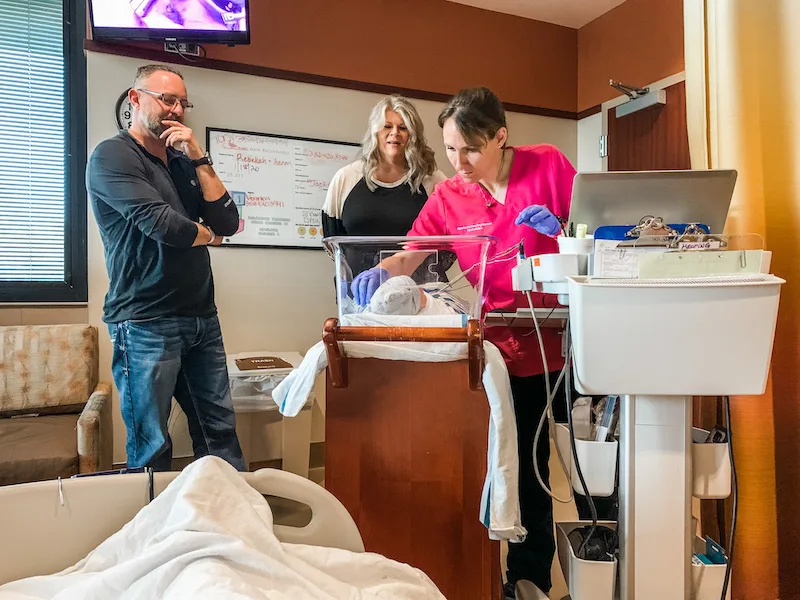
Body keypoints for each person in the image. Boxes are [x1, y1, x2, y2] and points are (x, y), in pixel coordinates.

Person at [350, 87, 577, 598]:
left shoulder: (548, 166)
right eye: (451, 150)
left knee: (591, 464)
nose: (460, 163)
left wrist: (565, 228)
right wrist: (378, 273)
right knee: (527, 469)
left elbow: (598, 231)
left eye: (471, 149)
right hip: (507, 348)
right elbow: (413, 251)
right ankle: (528, 577)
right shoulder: (450, 195)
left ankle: (607, 557)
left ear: (501, 136)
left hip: (572, 339)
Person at [86, 64, 246, 473]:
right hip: (143, 321)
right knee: (152, 446)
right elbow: (164, 226)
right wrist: (208, 235)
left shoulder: (182, 161)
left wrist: (198, 156)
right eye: (166, 99)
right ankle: (155, 531)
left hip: (201, 319)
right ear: (135, 98)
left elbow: (229, 222)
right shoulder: (113, 155)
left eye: (181, 102)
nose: (175, 109)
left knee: (220, 435)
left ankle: (232, 527)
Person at [321, 95, 451, 284]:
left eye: (403, 127)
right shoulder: (346, 177)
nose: (395, 133)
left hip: (420, 294)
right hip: (358, 293)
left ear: (413, 135)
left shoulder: (433, 180)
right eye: (387, 126)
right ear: (375, 131)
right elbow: (332, 240)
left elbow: (450, 243)